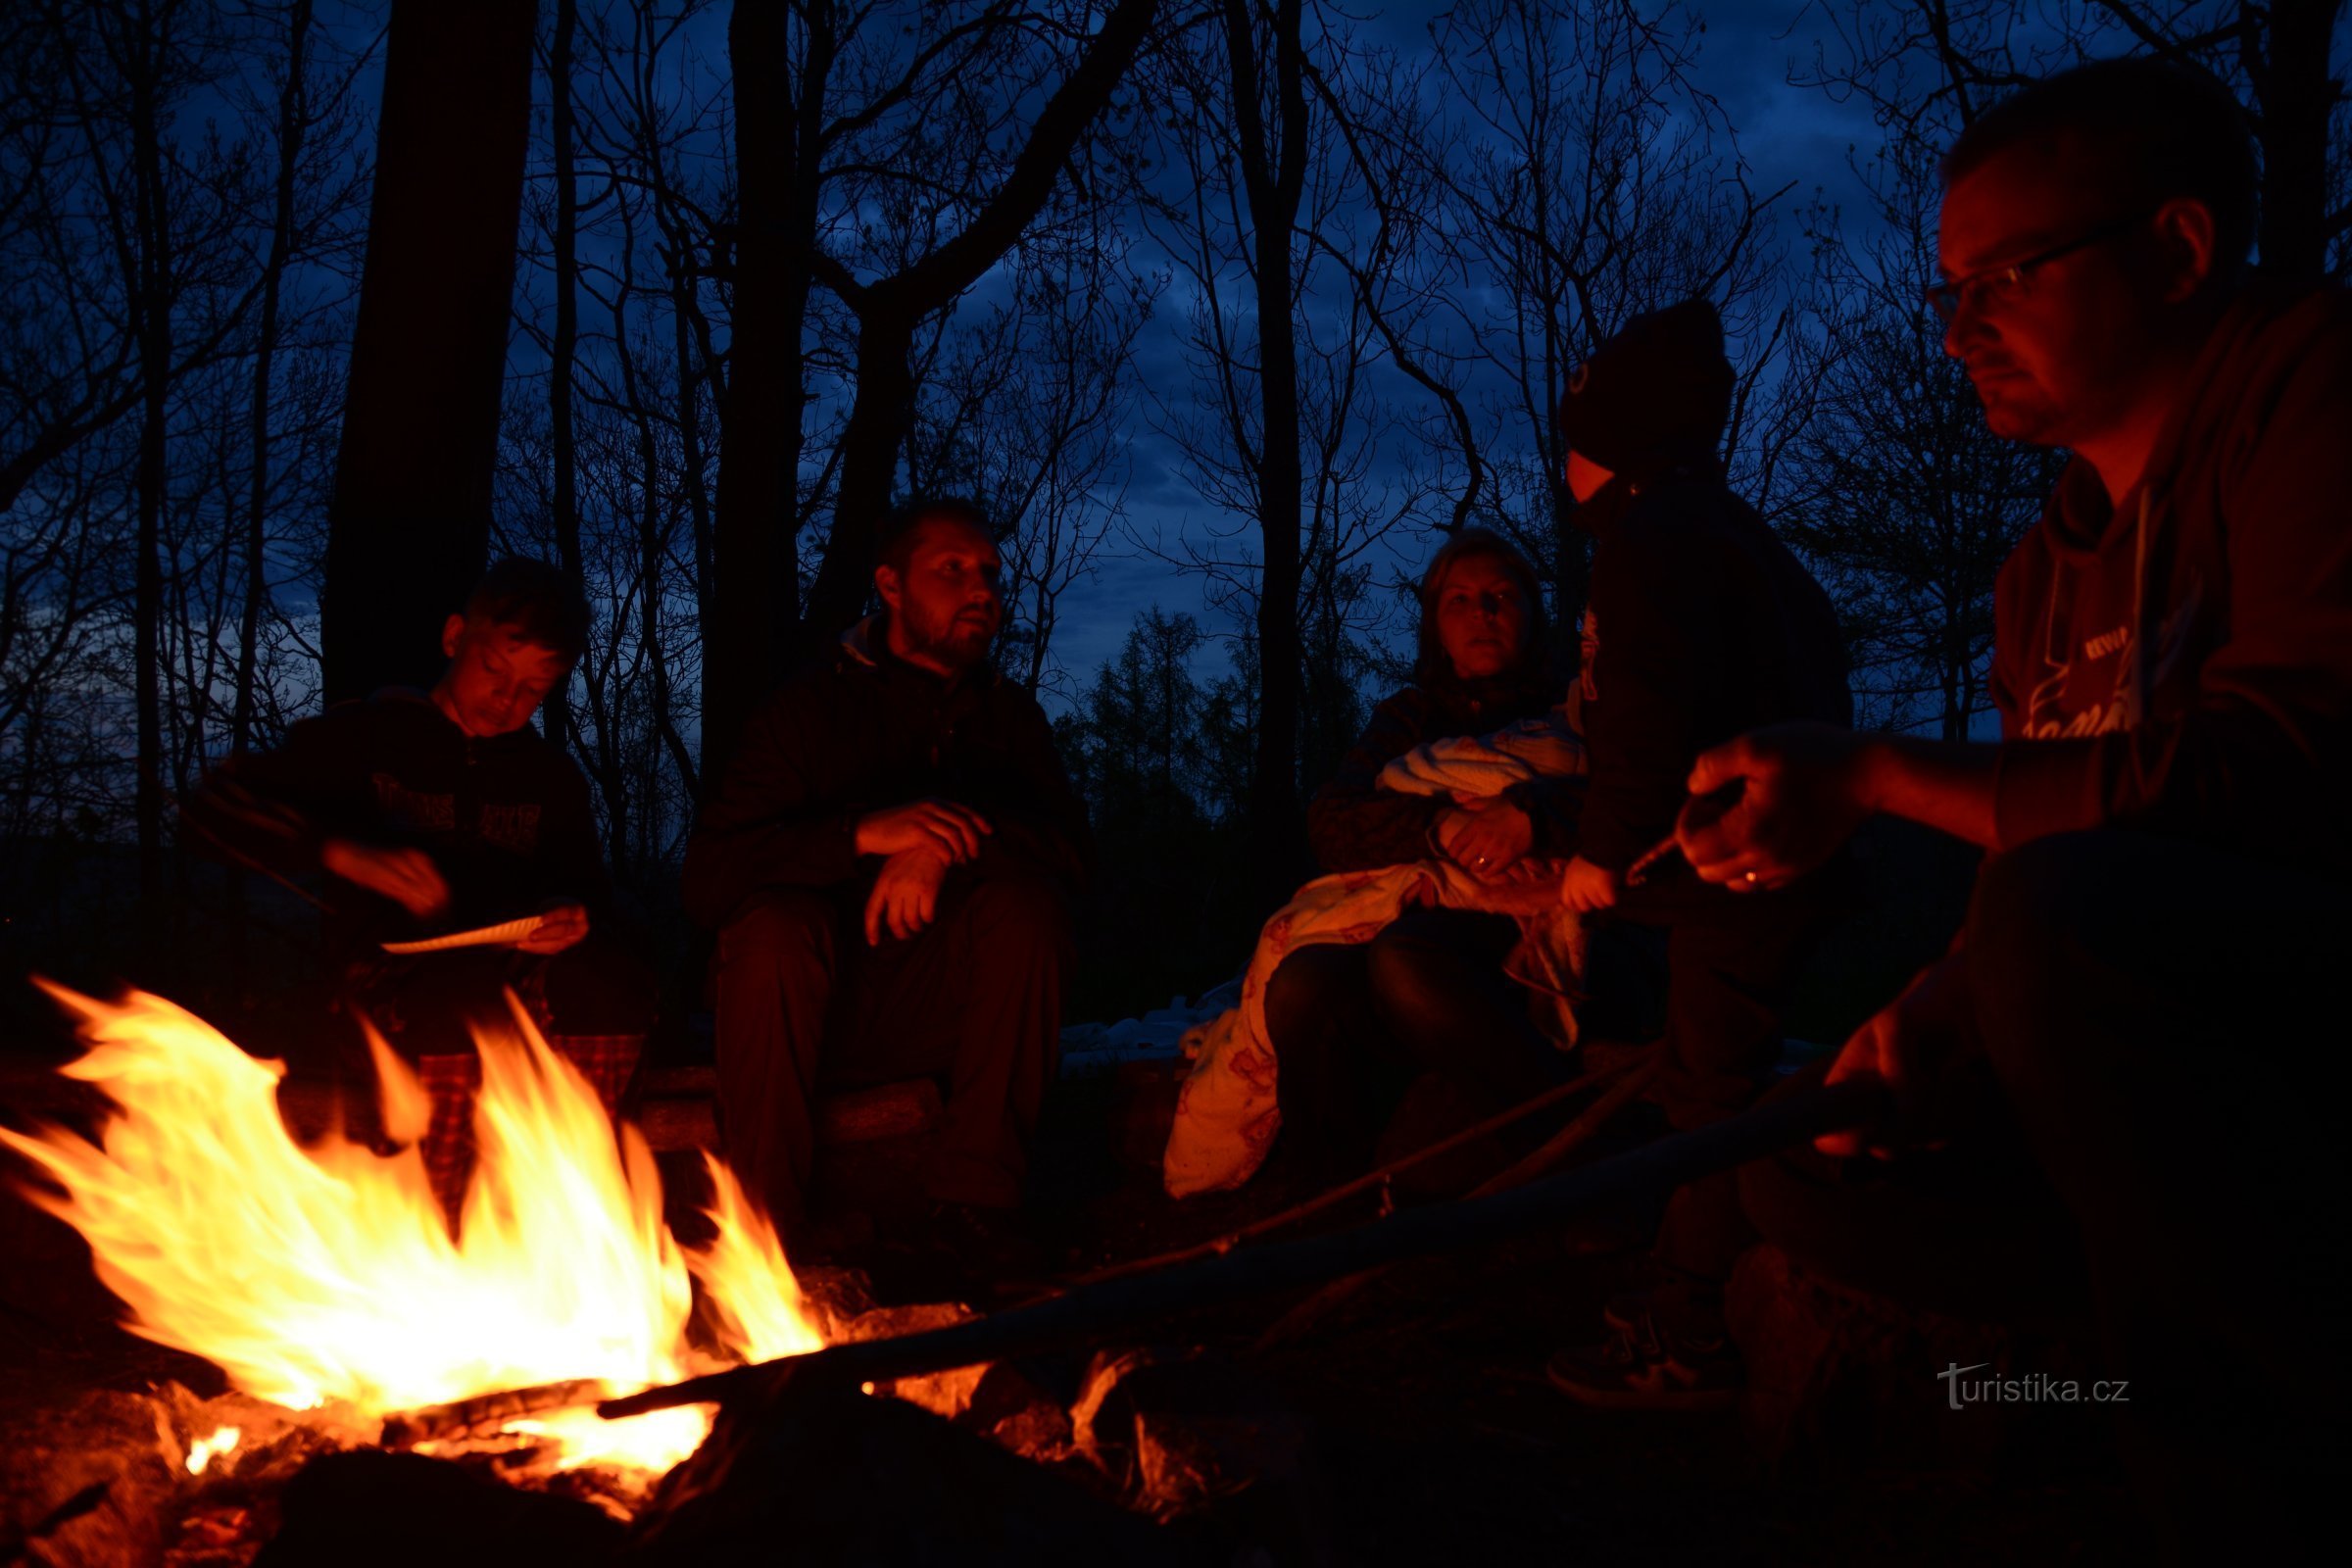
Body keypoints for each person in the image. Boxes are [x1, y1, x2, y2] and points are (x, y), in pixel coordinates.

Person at [1674, 60, 2347, 1554]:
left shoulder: (2311, 387)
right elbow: (2056, 844)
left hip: (2321, 1027)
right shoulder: (2040, 578)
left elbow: (2286, 774)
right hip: (2164, 1087)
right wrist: (1941, 1002)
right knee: (1797, 1154)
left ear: (2177, 249)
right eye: (1949, 289)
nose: (1957, 329)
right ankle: (2148, 1376)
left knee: (2059, 916)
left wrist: (1869, 774)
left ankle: (2239, 1457)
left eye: (2004, 278)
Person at [1538, 299, 1853, 1409]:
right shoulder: (1732, 532)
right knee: (1702, 1059)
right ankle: (1675, 1269)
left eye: (1575, 443)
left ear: (1617, 447)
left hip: (1734, 865)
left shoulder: (1650, 543)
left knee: (1711, 1094)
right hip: (1778, 848)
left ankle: (1687, 1334)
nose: (1563, 468)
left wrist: (1601, 853)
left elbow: (1646, 713)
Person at [682, 498, 1088, 1270]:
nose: (982, 590)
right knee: (774, 926)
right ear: (891, 585)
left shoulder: (1007, 720)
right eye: (952, 571)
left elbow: (1075, 857)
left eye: (990, 574)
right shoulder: (808, 711)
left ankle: (975, 1210)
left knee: (1029, 909)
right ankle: (766, 1233)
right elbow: (708, 880)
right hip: (803, 1015)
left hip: (936, 1010)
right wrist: (862, 835)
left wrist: (943, 844)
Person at [184, 558, 654, 1220]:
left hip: (519, 982)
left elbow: (586, 893)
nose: (506, 700)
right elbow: (213, 807)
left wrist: (567, 917)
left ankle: (570, 1215)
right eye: (494, 671)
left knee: (607, 988)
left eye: (532, 690)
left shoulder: (551, 780)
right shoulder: (363, 740)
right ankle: (432, 1228)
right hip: (390, 984)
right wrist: (339, 852)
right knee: (457, 1004)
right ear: (455, 636)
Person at [1267, 530, 1586, 1180]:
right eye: (1459, 600)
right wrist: (1438, 825)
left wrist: (1530, 817)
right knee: (1301, 982)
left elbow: (1631, 794)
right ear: (1437, 626)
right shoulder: (1409, 719)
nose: (1482, 612)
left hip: (1531, 922)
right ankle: (1332, 1199)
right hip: (1417, 911)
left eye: (1501, 596)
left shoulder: (1575, 707)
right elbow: (1333, 820)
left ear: (1532, 611)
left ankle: (1573, 1159)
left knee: (1405, 957)